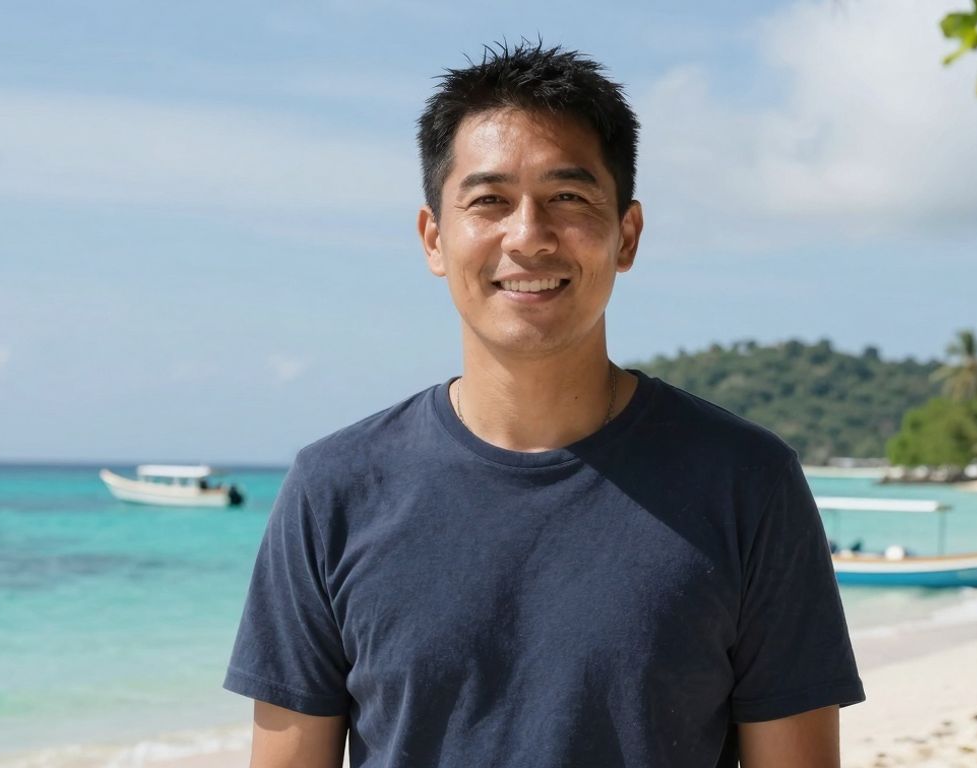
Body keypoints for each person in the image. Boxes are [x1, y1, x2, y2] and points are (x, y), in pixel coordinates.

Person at [224, 41, 863, 767]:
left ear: (626, 235)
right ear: (434, 238)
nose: (528, 236)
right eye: (489, 201)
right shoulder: (334, 490)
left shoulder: (746, 482)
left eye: (568, 198)